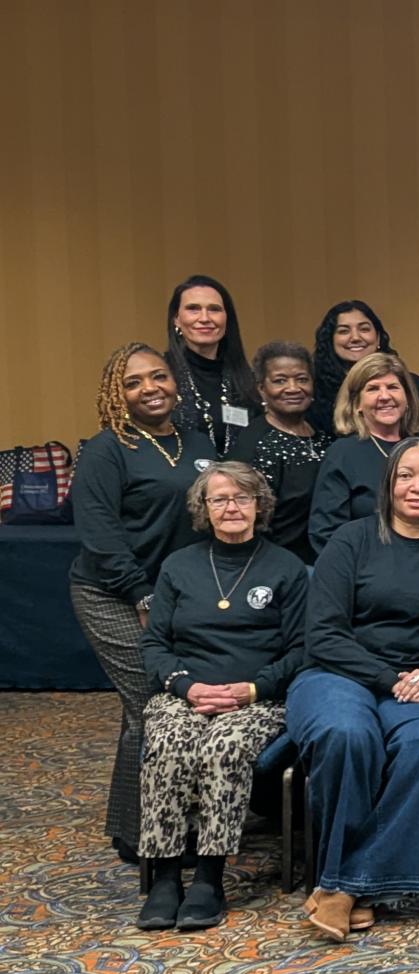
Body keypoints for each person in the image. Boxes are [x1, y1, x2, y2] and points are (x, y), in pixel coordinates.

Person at [289, 439, 419, 940]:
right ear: (388, 484)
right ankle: (359, 883)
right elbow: (324, 633)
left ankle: (345, 887)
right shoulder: (351, 540)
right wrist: (389, 679)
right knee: (347, 734)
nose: (418, 487)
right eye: (406, 476)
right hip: (341, 674)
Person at [134, 462, 308, 931]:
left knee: (222, 748)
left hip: (257, 698)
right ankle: (167, 877)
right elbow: (154, 644)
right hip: (186, 692)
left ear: (259, 506)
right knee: (169, 744)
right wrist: (187, 686)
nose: (232, 507)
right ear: (203, 509)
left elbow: (302, 647)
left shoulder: (287, 567)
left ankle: (210, 876)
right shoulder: (179, 565)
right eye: (220, 499)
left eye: (242, 498)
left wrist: (254, 688)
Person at [70, 344, 218, 861]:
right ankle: (147, 836)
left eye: (158, 376)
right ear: (117, 394)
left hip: (173, 597)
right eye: (133, 382)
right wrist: (141, 592)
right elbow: (99, 534)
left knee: (154, 711)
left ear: (175, 382)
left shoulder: (196, 442)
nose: (150, 388)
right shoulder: (105, 449)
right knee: (151, 704)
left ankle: (134, 826)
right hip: (112, 594)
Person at [307, 352, 419, 555]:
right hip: (364, 571)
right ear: (356, 404)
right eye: (372, 389)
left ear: (408, 398)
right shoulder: (343, 454)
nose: (385, 396)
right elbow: (325, 532)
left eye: (393, 387)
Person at [236, 341, 331, 563]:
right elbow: (248, 520)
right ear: (261, 388)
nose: (293, 388)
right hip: (277, 568)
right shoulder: (253, 444)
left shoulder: (323, 436)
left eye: (302, 379)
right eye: (280, 380)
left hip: (324, 562)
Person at [306, 301, 419, 439]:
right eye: (344, 331)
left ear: (378, 337)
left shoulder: (412, 384)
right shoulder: (316, 389)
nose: (355, 337)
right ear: (330, 340)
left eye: (364, 329)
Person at [165, 275, 260, 456]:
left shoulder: (247, 379)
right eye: (193, 309)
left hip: (240, 480)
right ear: (176, 319)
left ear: (227, 319)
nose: (205, 318)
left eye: (214, 309)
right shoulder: (160, 376)